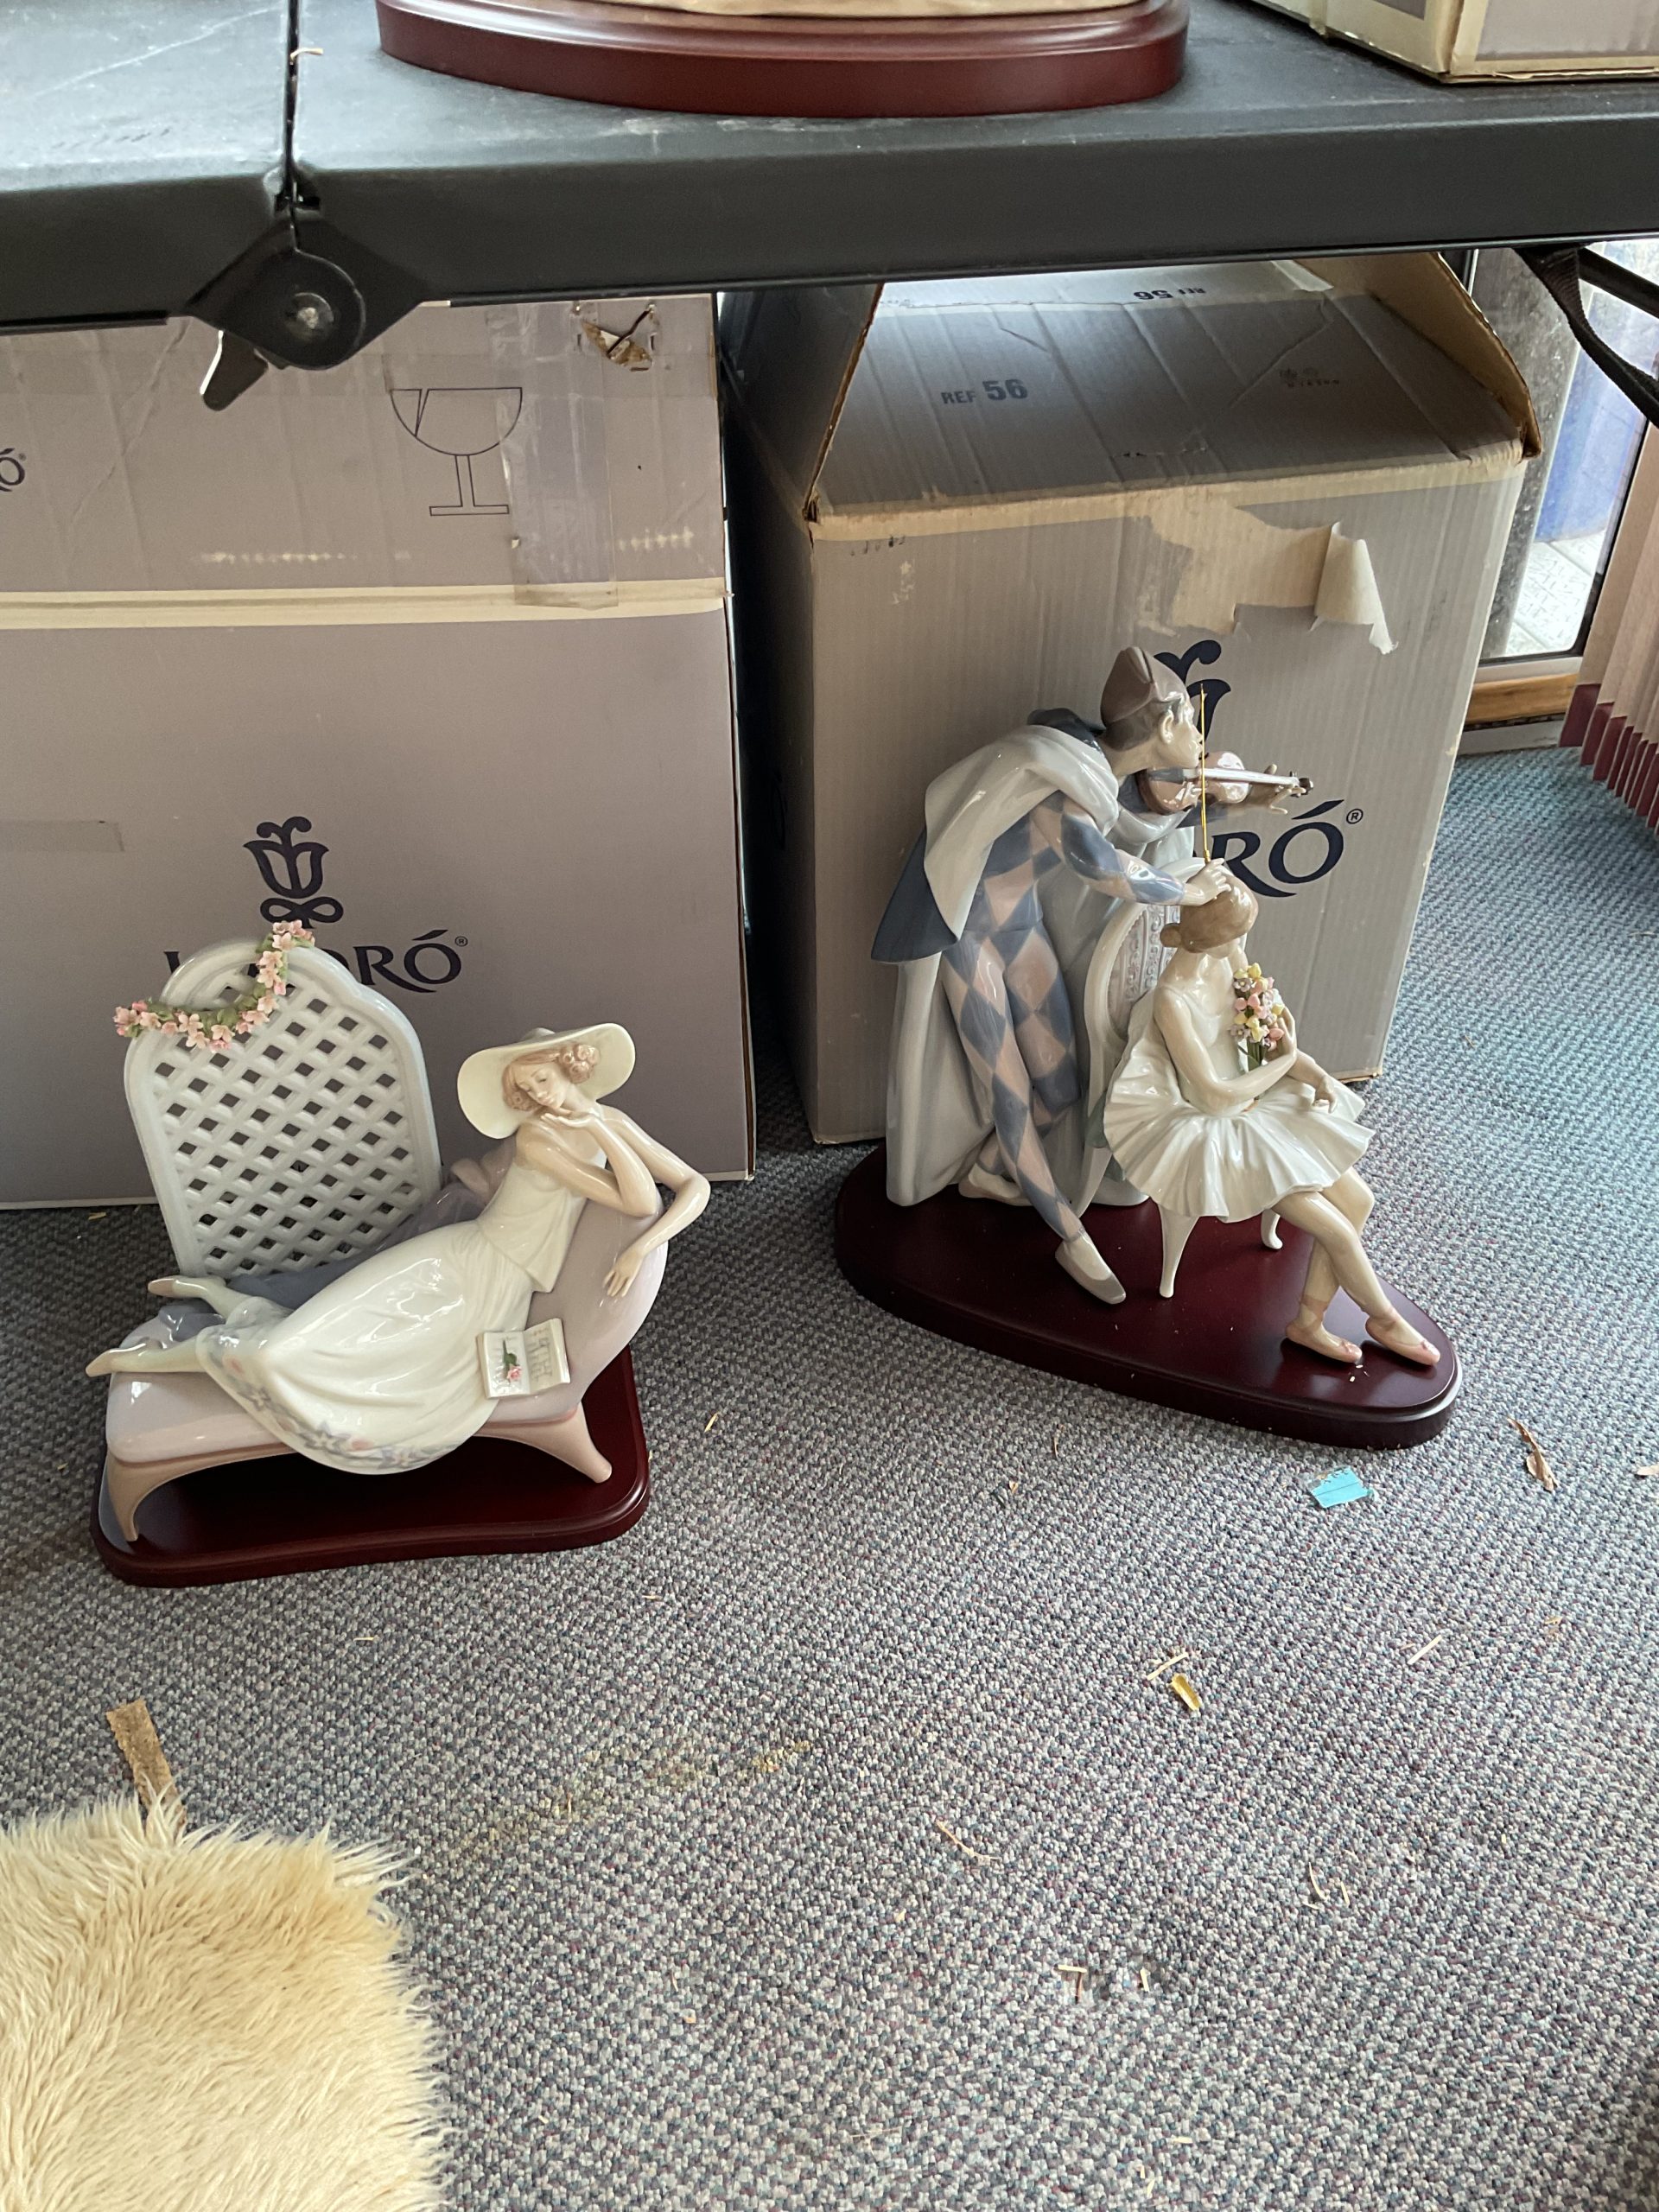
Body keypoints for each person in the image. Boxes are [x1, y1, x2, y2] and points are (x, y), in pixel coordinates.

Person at [86, 1026, 709, 1473]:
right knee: (318, 1330)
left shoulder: (606, 1124)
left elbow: (689, 1188)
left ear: (571, 1066)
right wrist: (599, 1127)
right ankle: (187, 1329)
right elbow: (634, 1194)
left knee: (300, 1353)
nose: (542, 1096)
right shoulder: (539, 1139)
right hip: (462, 1258)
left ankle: (171, 1348)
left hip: (497, 1285)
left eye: (543, 1078)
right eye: (529, 1088)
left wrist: (642, 1243)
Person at [873, 646, 1249, 1305]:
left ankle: (991, 1172)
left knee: (1059, 1089)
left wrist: (1216, 793)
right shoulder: (1064, 778)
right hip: (973, 942)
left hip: (1022, 930)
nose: (1198, 740)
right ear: (1164, 726)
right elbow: (1104, 865)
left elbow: (1136, 816)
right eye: (1191, 724)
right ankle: (1071, 1236)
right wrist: (1187, 892)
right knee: (1013, 1094)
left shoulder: (1097, 767)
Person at [1103, 875, 1439, 1367]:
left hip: (1260, 1104)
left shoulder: (1230, 961)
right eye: (1237, 933)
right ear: (1212, 938)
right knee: (1339, 1232)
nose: (1244, 942)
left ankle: (1308, 1323)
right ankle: (1383, 1319)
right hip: (1222, 1133)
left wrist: (1313, 1073)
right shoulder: (1173, 998)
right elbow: (1215, 1094)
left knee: (1359, 1201)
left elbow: (1268, 1041)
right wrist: (1283, 1066)